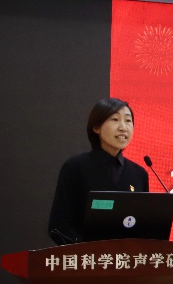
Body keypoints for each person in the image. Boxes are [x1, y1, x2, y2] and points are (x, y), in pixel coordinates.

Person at [48, 98, 149, 244]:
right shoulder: (75, 167)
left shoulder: (139, 174)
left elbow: (143, 226)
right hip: (86, 256)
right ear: (96, 127)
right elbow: (58, 226)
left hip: (127, 257)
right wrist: (87, 250)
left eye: (128, 121)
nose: (123, 127)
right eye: (115, 119)